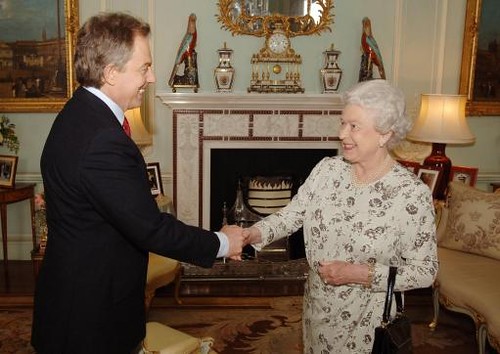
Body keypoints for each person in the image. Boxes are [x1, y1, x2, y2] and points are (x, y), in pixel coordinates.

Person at [31, 12, 247, 354]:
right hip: (91, 317)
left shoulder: (78, 112)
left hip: (77, 299)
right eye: (143, 67)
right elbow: (151, 228)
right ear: (111, 72)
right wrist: (223, 242)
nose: (153, 76)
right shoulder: (102, 139)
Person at [246, 79, 438, 353]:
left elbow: (425, 271)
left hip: (369, 323)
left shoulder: (410, 194)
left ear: (385, 134)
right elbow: (292, 215)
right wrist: (252, 233)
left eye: (354, 126)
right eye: (342, 123)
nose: (342, 134)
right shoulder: (327, 170)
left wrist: (359, 274)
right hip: (317, 309)